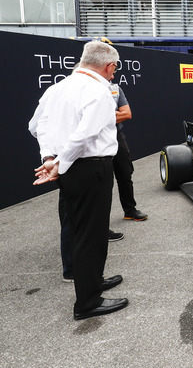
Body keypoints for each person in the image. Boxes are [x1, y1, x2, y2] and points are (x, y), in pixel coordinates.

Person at [28, 40, 128, 320]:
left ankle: (92, 282)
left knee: (78, 228)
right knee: (91, 234)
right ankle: (88, 302)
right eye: (114, 69)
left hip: (70, 169)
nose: (113, 74)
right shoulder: (99, 90)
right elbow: (86, 134)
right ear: (109, 66)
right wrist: (60, 163)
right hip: (90, 168)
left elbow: (36, 126)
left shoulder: (56, 88)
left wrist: (50, 158)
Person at [110, 83, 147, 221]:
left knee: (125, 173)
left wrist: (105, 116)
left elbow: (127, 114)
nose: (113, 75)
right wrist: (112, 115)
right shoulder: (90, 88)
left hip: (117, 136)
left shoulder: (115, 88)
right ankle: (101, 224)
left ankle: (130, 210)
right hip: (97, 139)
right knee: (104, 182)